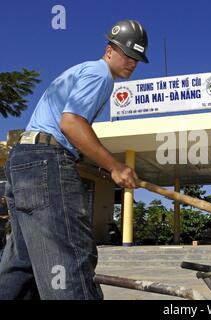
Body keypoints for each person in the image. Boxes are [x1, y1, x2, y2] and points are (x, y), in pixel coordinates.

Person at [0, 19, 149, 300]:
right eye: (128, 55)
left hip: (23, 161)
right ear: (109, 50)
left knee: (23, 263)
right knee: (69, 256)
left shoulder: (80, 70)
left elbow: (62, 127)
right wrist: (115, 166)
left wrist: (83, 156)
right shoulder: (100, 75)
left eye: (137, 59)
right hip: (45, 162)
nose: (132, 63)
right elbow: (72, 124)